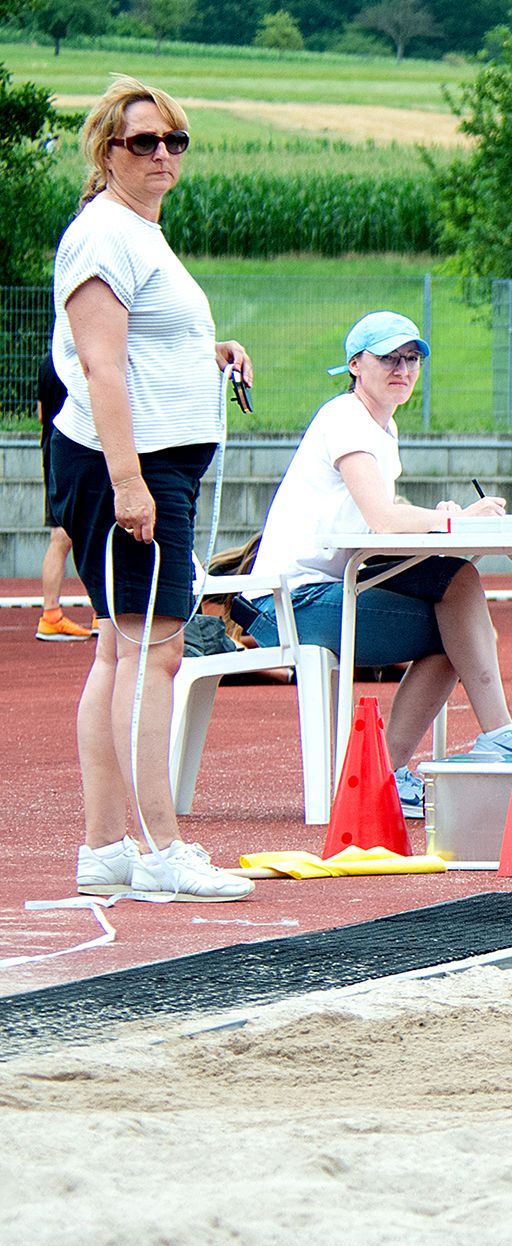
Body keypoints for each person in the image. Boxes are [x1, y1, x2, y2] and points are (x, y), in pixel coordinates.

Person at [47, 77, 252, 901]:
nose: (162, 154)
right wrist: (130, 482)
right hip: (129, 468)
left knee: (120, 650)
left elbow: (140, 347)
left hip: (151, 462)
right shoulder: (104, 235)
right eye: (143, 142)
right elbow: (100, 364)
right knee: (152, 655)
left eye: (174, 141)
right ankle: (161, 848)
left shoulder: (137, 232)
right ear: (107, 151)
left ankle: (105, 848)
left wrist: (210, 352)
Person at [240, 312, 512, 819]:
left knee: (460, 621)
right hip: (288, 603)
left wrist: (441, 521)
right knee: (460, 606)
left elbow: (375, 527)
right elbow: (382, 519)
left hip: (321, 590)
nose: (402, 368)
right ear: (355, 365)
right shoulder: (344, 416)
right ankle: (497, 738)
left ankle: (386, 775)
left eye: (412, 359)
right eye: (388, 358)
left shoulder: (381, 429)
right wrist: (454, 521)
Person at [36, 354, 95, 642]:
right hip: (81, 449)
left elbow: (39, 414)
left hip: (53, 447)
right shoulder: (82, 359)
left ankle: (54, 614)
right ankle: (100, 613)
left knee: (62, 536)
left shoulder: (48, 362)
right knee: (74, 535)